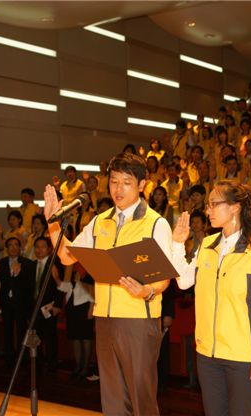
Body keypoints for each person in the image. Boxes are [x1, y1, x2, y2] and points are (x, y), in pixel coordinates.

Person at [44, 152, 172, 416]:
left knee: (141, 397)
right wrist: (52, 223)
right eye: (114, 181)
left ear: (141, 184)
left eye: (126, 182)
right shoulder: (99, 220)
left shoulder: (155, 224)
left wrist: (147, 291)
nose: (118, 189)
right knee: (112, 398)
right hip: (104, 318)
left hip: (138, 319)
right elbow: (67, 256)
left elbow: (163, 279)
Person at [171, 181, 251, 416]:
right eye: (208, 205)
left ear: (235, 207)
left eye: (214, 205)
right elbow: (183, 281)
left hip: (242, 357)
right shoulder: (207, 245)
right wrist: (178, 244)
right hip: (207, 355)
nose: (208, 211)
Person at [0, 237, 35, 365]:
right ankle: (9, 356)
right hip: (6, 302)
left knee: (21, 330)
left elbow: (29, 285)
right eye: (10, 245)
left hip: (21, 303)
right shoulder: (2, 262)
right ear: (6, 249)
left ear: (20, 248)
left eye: (16, 245)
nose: (13, 248)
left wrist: (18, 274)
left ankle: (22, 357)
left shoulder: (27, 263)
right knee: (7, 329)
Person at [59, 261, 95, 379]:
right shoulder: (69, 266)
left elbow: (92, 290)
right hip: (72, 304)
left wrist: (91, 308)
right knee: (75, 336)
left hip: (84, 304)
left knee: (85, 337)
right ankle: (78, 366)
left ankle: (85, 367)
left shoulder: (86, 265)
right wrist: (56, 277)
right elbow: (65, 288)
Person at [33, 237, 63, 372]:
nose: (39, 250)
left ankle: (52, 363)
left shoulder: (55, 264)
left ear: (49, 249)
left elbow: (62, 287)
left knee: (50, 335)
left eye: (43, 247)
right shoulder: (31, 265)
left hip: (49, 306)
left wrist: (57, 305)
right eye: (37, 247)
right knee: (35, 336)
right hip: (34, 307)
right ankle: (37, 362)